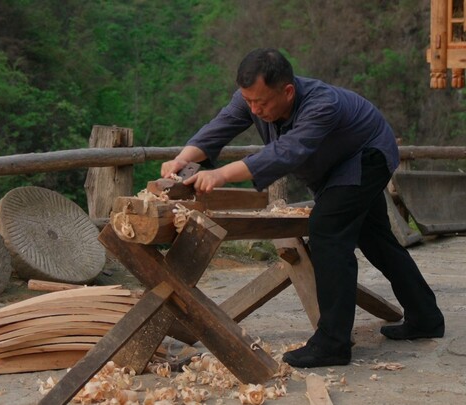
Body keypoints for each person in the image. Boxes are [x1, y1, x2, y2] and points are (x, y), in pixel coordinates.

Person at [161, 48, 445, 368]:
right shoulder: (253, 98)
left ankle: (333, 343)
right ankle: (426, 317)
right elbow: (221, 125)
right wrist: (185, 157)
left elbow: (288, 152)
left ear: (288, 91)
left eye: (262, 103)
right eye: (249, 102)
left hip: (366, 157)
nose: (254, 109)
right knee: (377, 240)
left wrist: (221, 174)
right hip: (336, 168)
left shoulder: (322, 104)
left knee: (327, 231)